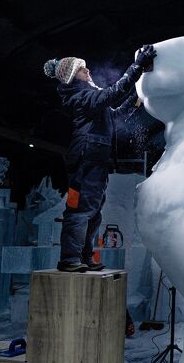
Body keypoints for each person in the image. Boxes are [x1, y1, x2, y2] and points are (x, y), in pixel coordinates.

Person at [44, 45, 156, 275]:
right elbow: (111, 94)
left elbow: (113, 114)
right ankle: (69, 258)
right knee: (79, 210)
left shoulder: (88, 98)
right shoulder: (81, 97)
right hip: (86, 161)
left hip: (95, 160)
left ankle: (84, 256)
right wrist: (137, 67)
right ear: (72, 77)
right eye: (82, 69)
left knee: (93, 211)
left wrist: (135, 97)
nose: (88, 71)